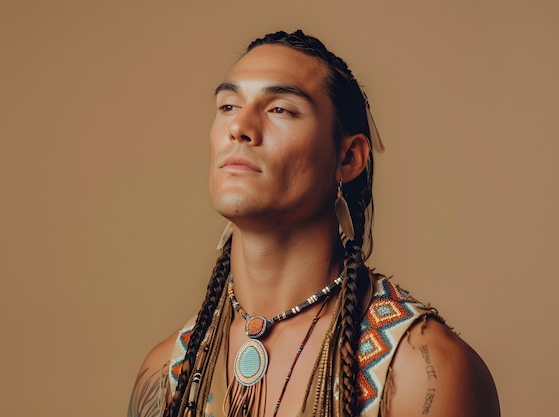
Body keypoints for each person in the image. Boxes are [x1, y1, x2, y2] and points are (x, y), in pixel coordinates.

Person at [128, 30, 500, 417]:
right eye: (228, 106)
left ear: (348, 158)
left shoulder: (423, 373)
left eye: (280, 109)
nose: (239, 127)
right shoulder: (167, 375)